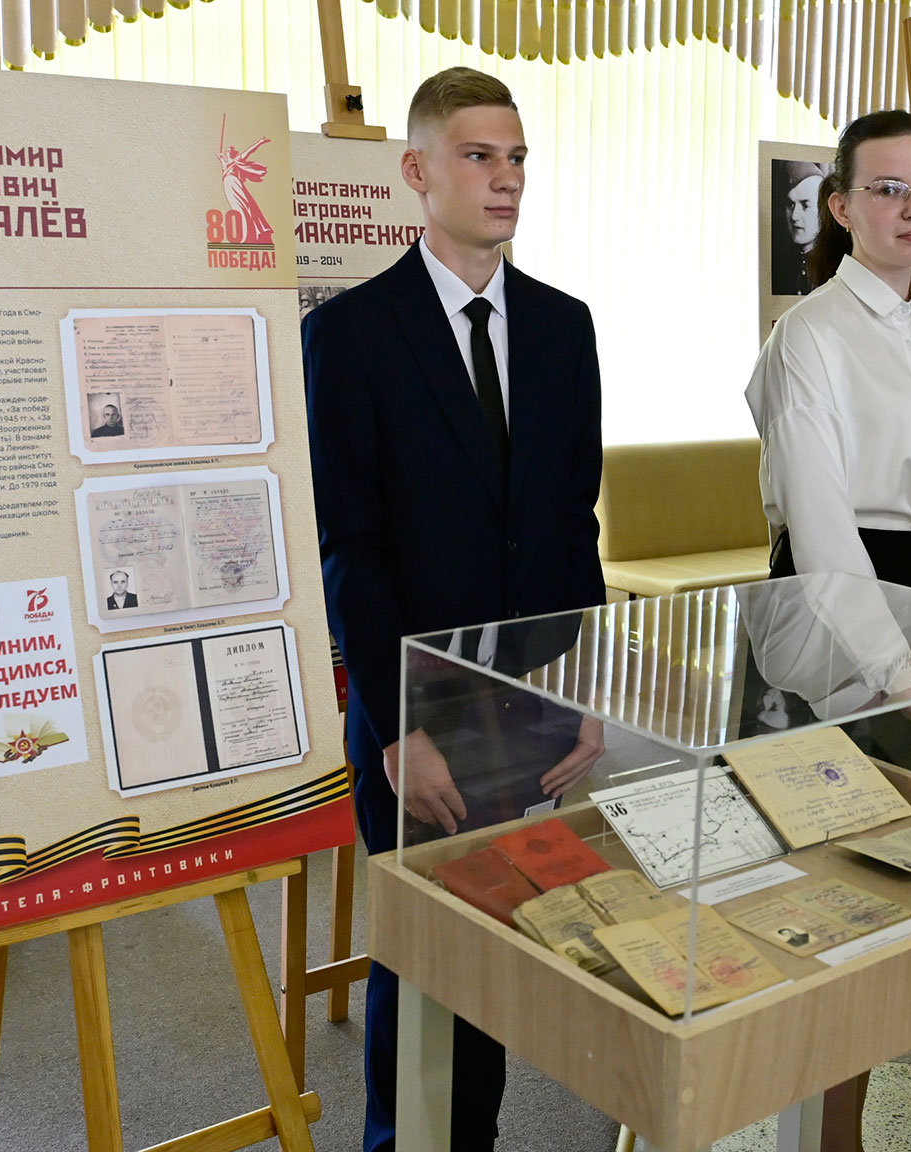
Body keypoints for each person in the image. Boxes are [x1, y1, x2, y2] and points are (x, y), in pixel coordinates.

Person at [302, 66, 606, 1152]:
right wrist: (400, 727)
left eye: (517, 157)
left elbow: (574, 523)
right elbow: (351, 549)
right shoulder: (352, 334)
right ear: (418, 171)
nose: (506, 177)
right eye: (479, 156)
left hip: (530, 698)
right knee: (423, 954)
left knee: (507, 935)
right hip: (415, 710)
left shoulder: (564, 327)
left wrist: (588, 686)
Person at [745, 108, 911, 1152]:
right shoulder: (808, 336)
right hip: (837, 612)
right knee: (825, 892)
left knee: (905, 893)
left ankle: (842, 1122)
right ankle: (824, 1133)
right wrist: (904, 679)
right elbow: (819, 529)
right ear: (844, 207)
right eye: (888, 188)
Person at [770, 160, 828, 297]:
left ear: (823, 210)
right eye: (790, 205)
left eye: (805, 205)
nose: (794, 216)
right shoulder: (780, 266)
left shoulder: (834, 267)